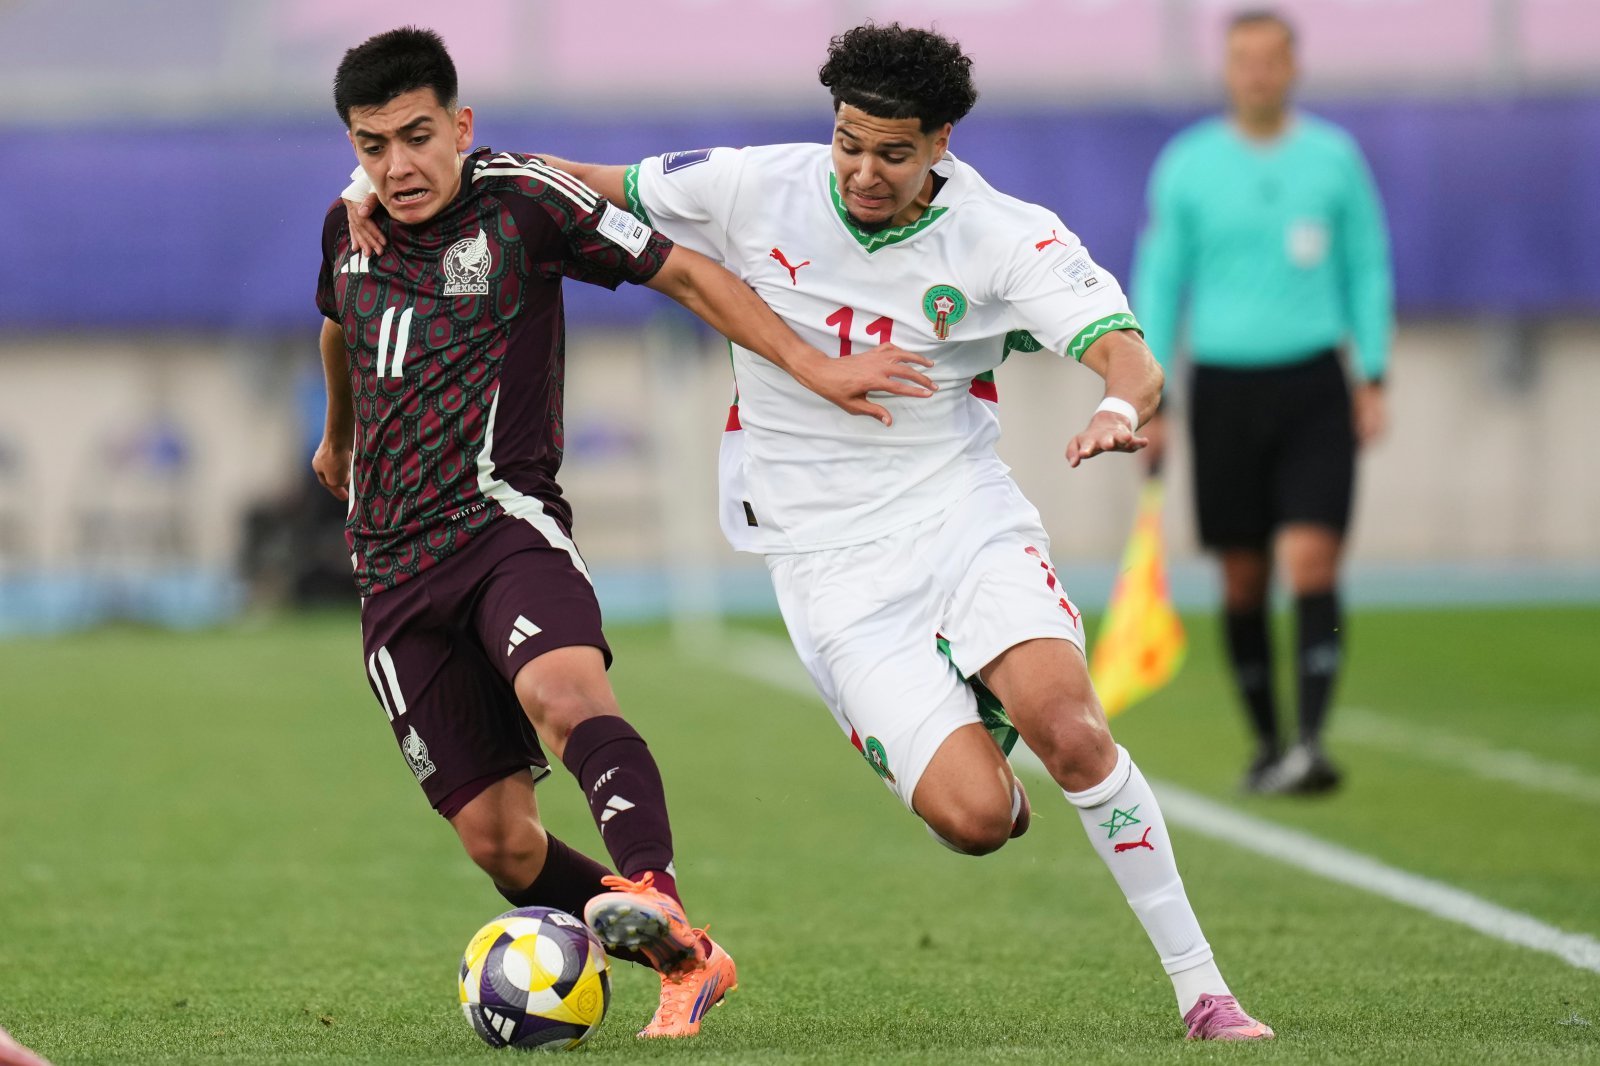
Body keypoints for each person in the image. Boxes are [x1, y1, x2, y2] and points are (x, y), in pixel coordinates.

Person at [343, 19, 1271, 1043]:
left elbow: (1126, 353)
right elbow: (568, 183)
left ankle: (1204, 992)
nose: (863, 172)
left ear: (942, 142)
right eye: (848, 143)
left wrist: (1118, 406)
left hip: (960, 515)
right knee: (976, 819)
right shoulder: (753, 185)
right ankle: (977, 735)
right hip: (827, 566)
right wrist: (372, 186)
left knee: (1073, 727)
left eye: (893, 153)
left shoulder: (1006, 235)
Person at [314, 27, 933, 1040]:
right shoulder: (348, 227)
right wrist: (337, 436)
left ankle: (657, 895)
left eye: (417, 137)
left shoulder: (523, 203)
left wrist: (812, 365)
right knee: (502, 844)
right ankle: (687, 958)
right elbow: (338, 319)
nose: (397, 165)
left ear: (461, 126)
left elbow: (683, 273)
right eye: (372, 145)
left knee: (564, 693)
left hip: (500, 526)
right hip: (388, 570)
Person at [1131, 8, 1394, 794]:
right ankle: (1267, 743)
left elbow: (1367, 265)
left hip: (1314, 385)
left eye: (1271, 58)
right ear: (1226, 68)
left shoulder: (1334, 159)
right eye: (1243, 58)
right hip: (1224, 390)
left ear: (1293, 67)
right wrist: (1150, 397)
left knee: (1312, 559)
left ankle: (1311, 742)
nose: (1257, 72)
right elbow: (1161, 280)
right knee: (1243, 577)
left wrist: (1373, 373)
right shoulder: (1188, 165)